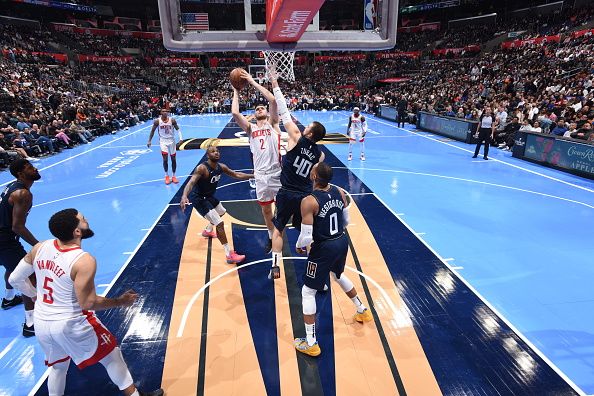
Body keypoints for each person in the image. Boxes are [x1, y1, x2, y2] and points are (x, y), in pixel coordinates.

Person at [8, 209, 163, 396]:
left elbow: (15, 279)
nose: (86, 219)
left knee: (58, 367)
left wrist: (35, 296)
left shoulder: (39, 247)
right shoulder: (83, 261)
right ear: (77, 232)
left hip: (42, 322)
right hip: (70, 322)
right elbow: (87, 303)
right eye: (82, 219)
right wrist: (120, 301)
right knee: (112, 355)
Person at [293, 162, 372, 356]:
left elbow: (307, 236)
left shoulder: (309, 201)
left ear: (313, 176)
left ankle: (311, 342)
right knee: (338, 275)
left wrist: (298, 245)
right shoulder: (340, 192)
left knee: (308, 291)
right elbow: (345, 221)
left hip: (324, 248)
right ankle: (362, 310)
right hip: (341, 241)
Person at [268, 77, 326, 280]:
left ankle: (275, 267)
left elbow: (283, 110)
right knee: (308, 235)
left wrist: (275, 83)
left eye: (307, 125)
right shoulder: (320, 155)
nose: (304, 126)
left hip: (286, 192)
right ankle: (315, 273)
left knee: (278, 231)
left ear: (309, 131)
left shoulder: (295, 135)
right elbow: (316, 171)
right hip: (305, 196)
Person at [231, 70, 282, 253]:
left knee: (284, 209)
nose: (259, 109)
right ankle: (270, 237)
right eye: (257, 109)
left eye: (262, 108)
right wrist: (236, 90)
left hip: (277, 173)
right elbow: (235, 113)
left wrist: (252, 81)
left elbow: (273, 100)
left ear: (267, 113)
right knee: (266, 211)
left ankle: (287, 235)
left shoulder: (273, 123)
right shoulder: (250, 128)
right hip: (260, 175)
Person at [180, 146, 253, 264]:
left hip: (209, 197)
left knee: (221, 212)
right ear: (207, 156)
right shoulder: (202, 168)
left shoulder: (221, 167)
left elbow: (236, 175)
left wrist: (253, 176)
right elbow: (191, 182)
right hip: (200, 199)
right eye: (212, 152)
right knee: (219, 223)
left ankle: (208, 231)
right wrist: (184, 195)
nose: (216, 153)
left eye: (217, 151)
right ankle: (229, 254)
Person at [0, 159, 40, 337]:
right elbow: (17, 227)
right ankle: (31, 324)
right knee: (27, 275)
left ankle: (8, 299)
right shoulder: (23, 194)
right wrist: (38, 245)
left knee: (12, 267)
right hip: (4, 240)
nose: (35, 168)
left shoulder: (11, 186)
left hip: (4, 239)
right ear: (20, 174)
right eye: (30, 167)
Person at [147, 109, 183, 185]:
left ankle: (173, 176)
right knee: (165, 159)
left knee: (173, 159)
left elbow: (178, 129)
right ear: (161, 113)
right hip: (163, 141)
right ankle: (166, 176)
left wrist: (181, 138)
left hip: (172, 141)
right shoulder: (157, 121)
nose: (165, 112)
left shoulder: (172, 120)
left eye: (166, 111)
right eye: (163, 111)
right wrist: (149, 140)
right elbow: (152, 131)